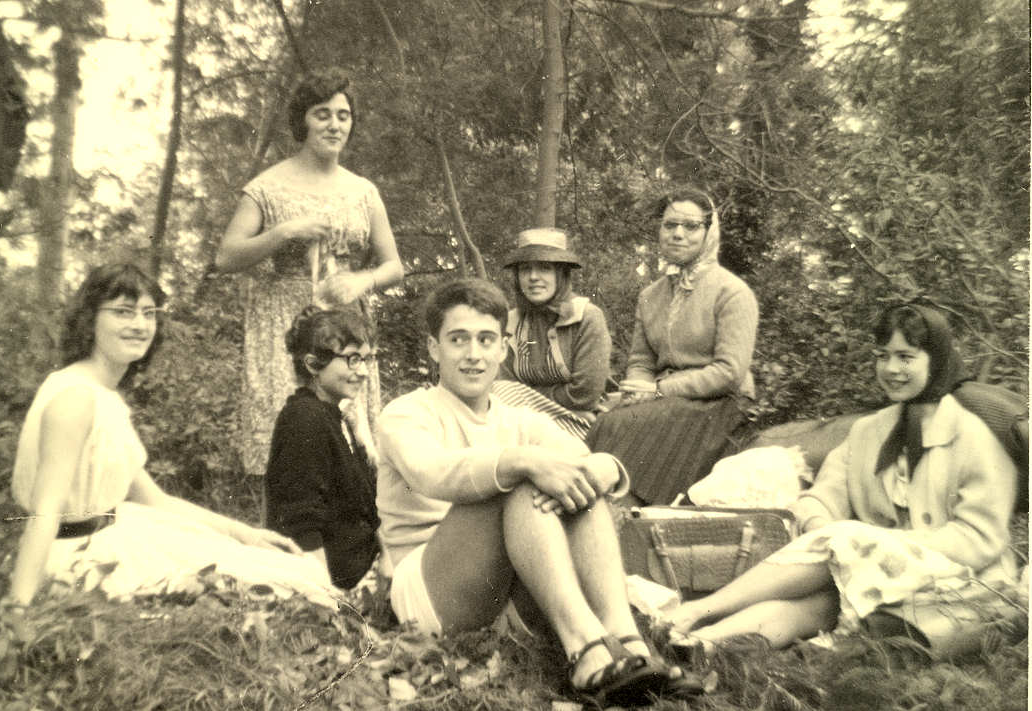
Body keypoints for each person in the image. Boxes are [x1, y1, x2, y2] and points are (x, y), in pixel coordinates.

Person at [375, 278, 701, 707]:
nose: (473, 354)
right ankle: (585, 651)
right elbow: (431, 473)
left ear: (503, 348)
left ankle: (627, 641)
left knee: (572, 484)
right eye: (458, 339)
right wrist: (522, 462)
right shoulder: (406, 413)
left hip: (507, 587)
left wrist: (604, 468)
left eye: (485, 339)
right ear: (435, 348)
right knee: (523, 476)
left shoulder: (519, 418)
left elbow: (584, 464)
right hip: (428, 590)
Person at [664, 304, 1018, 649]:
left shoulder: (974, 436)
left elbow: (980, 539)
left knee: (847, 539)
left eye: (905, 357)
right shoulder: (869, 431)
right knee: (814, 606)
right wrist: (823, 529)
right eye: (882, 356)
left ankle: (698, 610)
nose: (891, 369)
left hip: (965, 580)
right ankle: (700, 644)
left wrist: (879, 542)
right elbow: (822, 497)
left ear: (936, 360)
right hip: (880, 577)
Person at [4, 264, 338, 617]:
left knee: (297, 570)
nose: (139, 324)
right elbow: (45, 512)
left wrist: (245, 534)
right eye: (123, 312)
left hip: (117, 530)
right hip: (81, 557)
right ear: (89, 319)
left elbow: (154, 499)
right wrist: (18, 607)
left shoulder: (102, 394)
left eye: (148, 313)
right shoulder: (75, 398)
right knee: (292, 583)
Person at [215, 69, 404, 478]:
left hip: (344, 319)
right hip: (284, 324)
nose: (334, 125)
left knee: (350, 447)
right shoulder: (267, 187)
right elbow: (226, 257)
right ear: (303, 120)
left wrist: (363, 280)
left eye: (343, 115)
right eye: (322, 114)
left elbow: (394, 266)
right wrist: (283, 232)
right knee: (290, 447)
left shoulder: (364, 192)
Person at [586, 187, 758, 504]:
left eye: (690, 226)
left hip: (720, 403)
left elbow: (729, 372)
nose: (677, 234)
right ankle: (598, 503)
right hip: (666, 398)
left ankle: (626, 505)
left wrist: (659, 390)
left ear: (709, 233)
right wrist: (638, 389)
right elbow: (641, 360)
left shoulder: (732, 292)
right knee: (602, 418)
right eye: (670, 225)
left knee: (619, 424)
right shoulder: (650, 296)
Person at [264, 306, 380, 589]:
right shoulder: (304, 419)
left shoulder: (332, 415)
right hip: (338, 584)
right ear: (313, 364)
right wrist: (326, 598)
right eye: (353, 359)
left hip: (365, 568)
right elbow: (300, 522)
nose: (363, 372)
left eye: (366, 359)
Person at [494, 228, 611, 439]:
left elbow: (585, 395)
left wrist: (525, 395)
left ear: (561, 274)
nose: (533, 277)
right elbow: (503, 389)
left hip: (578, 424)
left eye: (545, 268)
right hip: (521, 423)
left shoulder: (586, 317)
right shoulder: (511, 321)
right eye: (525, 269)